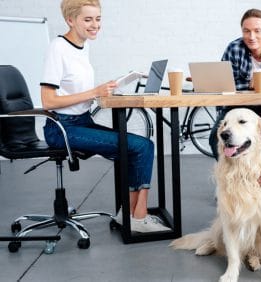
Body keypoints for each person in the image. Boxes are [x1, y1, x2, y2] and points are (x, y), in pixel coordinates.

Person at [40, 0, 169, 233]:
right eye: (88, 19)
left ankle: (129, 214)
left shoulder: (83, 45)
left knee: (142, 146)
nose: (95, 25)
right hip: (62, 130)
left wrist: (108, 89)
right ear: (71, 20)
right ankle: (137, 217)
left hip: (81, 121)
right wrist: (94, 92)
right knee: (140, 147)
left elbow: (74, 92)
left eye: (98, 19)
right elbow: (48, 101)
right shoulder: (58, 47)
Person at [208, 8, 261, 159]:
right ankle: (232, 175)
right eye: (246, 31)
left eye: (257, 31)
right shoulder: (234, 48)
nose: (251, 36)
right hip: (236, 106)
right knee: (215, 139)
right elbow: (225, 84)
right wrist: (256, 83)